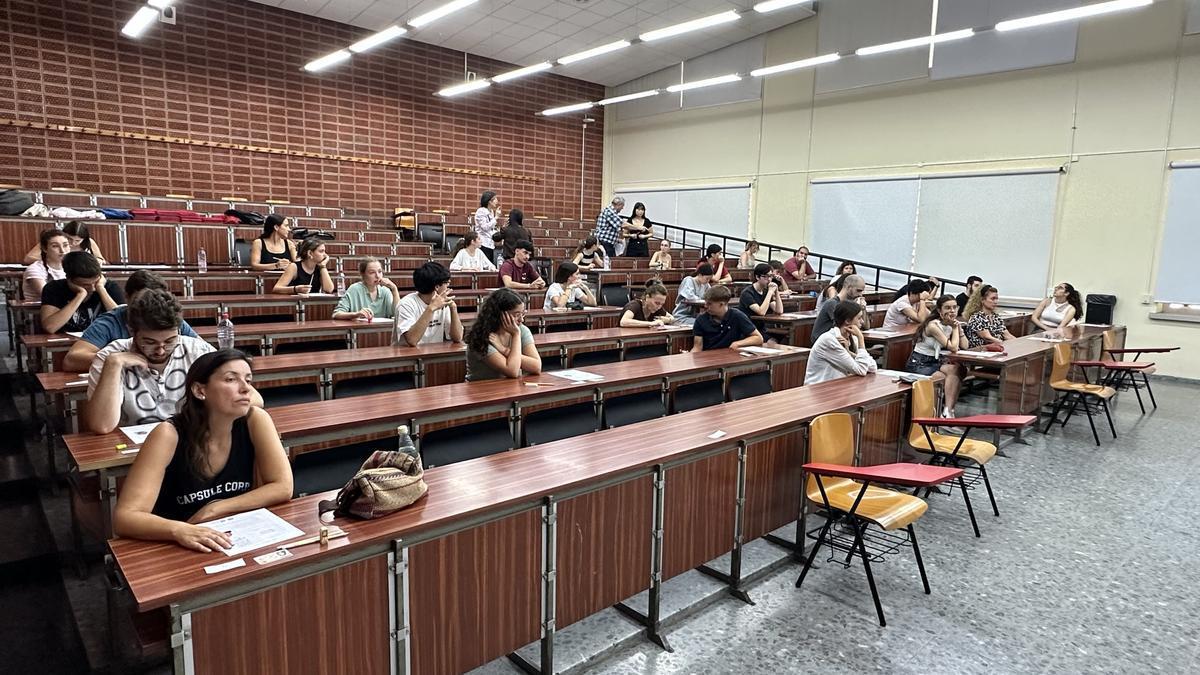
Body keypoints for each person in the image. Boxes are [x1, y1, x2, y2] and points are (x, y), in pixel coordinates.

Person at [112, 350, 292, 552]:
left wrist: (214, 508)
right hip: (175, 544)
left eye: (248, 380)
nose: (245, 389)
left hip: (232, 537)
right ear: (199, 390)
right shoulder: (168, 434)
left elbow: (283, 487)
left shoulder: (255, 419)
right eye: (231, 379)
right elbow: (125, 517)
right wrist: (178, 530)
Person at [84, 289, 264, 434]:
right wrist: (113, 366)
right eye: (150, 342)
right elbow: (102, 426)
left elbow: (254, 399)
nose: (161, 350)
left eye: (170, 341)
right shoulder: (110, 357)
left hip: (189, 440)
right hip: (135, 450)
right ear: (131, 331)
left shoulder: (197, 350)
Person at [63, 270, 200, 373]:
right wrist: (121, 360)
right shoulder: (110, 322)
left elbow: (201, 351)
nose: (149, 308)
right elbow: (72, 360)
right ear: (127, 298)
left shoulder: (167, 316)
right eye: (141, 301)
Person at [906, 295, 969, 417]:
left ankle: (948, 410)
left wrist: (959, 329)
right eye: (947, 308)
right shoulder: (933, 326)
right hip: (919, 363)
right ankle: (943, 413)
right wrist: (955, 328)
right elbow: (954, 348)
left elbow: (965, 345)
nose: (952, 311)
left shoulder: (951, 323)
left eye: (954, 308)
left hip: (934, 361)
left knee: (959, 369)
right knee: (942, 377)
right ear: (940, 311)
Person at [464, 288, 542, 381]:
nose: (521, 320)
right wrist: (516, 335)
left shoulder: (521, 329)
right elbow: (512, 371)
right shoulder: (481, 337)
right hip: (480, 390)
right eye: (516, 315)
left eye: (523, 314)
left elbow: (536, 367)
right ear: (500, 314)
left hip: (510, 388)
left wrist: (504, 350)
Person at [40, 251, 124, 334]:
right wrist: (80, 295)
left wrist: (101, 289)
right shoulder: (54, 288)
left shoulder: (109, 287)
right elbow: (50, 327)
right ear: (69, 279)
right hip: (64, 344)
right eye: (85, 285)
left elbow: (123, 323)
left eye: (95, 282)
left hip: (104, 343)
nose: (92, 288)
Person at [805, 301, 877, 385]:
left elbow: (873, 367)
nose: (862, 322)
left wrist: (849, 353)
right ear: (847, 321)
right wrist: (861, 339)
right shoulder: (829, 340)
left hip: (837, 387)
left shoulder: (853, 338)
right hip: (818, 389)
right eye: (859, 318)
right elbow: (861, 370)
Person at [395, 262, 463, 347]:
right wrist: (431, 308)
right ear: (437, 286)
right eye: (447, 283)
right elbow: (412, 340)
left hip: (432, 355)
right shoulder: (406, 304)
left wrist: (453, 308)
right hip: (406, 357)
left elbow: (458, 337)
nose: (448, 287)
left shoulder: (443, 303)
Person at [691, 286, 763, 352]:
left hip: (731, 357)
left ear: (722, 304)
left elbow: (758, 338)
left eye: (709, 304)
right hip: (708, 358)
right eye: (705, 303)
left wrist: (738, 343)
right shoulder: (701, 319)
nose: (705, 306)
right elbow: (697, 347)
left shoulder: (737, 315)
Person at [332, 257, 400, 321]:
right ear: (363, 274)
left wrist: (394, 289)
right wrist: (356, 314)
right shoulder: (354, 289)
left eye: (379, 271)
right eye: (372, 272)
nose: (377, 276)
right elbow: (336, 314)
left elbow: (398, 315)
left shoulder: (385, 291)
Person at [811, 274, 868, 344]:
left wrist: (863, 308)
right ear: (849, 287)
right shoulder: (832, 303)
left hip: (836, 341)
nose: (860, 294)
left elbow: (865, 326)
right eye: (858, 290)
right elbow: (845, 326)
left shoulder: (848, 305)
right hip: (824, 343)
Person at [22, 221, 108, 265]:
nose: (73, 243)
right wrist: (54, 260)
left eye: (77, 241)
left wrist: (98, 260)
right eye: (69, 239)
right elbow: (28, 258)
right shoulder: (53, 240)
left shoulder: (90, 242)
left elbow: (101, 259)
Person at [23, 228, 70, 300]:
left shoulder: (73, 267)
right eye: (55, 246)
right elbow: (49, 296)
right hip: (41, 310)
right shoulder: (35, 269)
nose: (62, 250)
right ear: (45, 249)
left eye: (65, 245)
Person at [474, 191, 501, 263]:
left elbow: (491, 228)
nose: (497, 201)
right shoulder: (481, 211)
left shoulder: (491, 211)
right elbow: (485, 227)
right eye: (495, 199)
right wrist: (496, 217)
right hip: (482, 243)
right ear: (489, 201)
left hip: (490, 243)